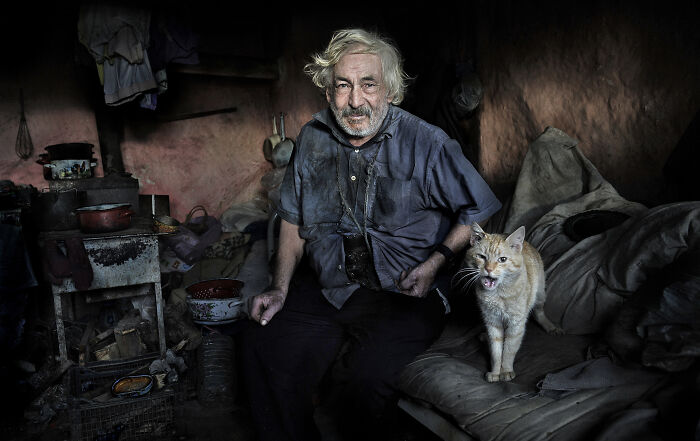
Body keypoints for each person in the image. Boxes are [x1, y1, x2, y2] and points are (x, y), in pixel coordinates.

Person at [238, 28, 502, 441]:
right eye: (343, 85)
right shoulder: (311, 138)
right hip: (331, 286)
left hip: (403, 293)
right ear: (328, 92)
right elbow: (291, 218)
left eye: (368, 85)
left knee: (364, 379)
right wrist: (279, 287)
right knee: (262, 344)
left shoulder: (428, 143)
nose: (355, 100)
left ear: (391, 91)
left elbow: (477, 210)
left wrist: (436, 264)